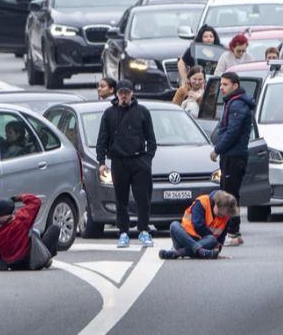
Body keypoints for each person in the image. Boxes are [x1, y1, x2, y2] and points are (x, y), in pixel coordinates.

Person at [96, 80, 157, 248]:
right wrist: (101, 161)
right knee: (120, 199)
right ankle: (123, 232)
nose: (124, 96)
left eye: (127, 92)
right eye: (121, 92)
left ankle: (143, 230)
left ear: (132, 93)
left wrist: (147, 159)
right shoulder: (109, 114)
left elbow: (151, 139)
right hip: (118, 161)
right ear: (116, 93)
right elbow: (102, 139)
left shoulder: (142, 112)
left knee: (142, 198)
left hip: (139, 161)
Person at [209, 71, 254, 240]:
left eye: (225, 85)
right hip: (232, 155)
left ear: (235, 86)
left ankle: (233, 231)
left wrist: (217, 149)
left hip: (234, 156)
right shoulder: (232, 102)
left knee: (230, 195)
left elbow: (232, 133)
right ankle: (231, 230)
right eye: (221, 84)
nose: (222, 88)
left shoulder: (237, 105)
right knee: (229, 192)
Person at [159, 191, 241, 260]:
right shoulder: (202, 202)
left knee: (212, 239)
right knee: (174, 225)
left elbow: (220, 240)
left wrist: (217, 253)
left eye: (224, 215)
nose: (221, 217)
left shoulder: (226, 216)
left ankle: (178, 253)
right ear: (216, 204)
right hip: (185, 239)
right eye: (220, 214)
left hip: (204, 243)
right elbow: (198, 225)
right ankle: (199, 251)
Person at [0, 194, 59, 271]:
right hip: (30, 261)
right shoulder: (20, 221)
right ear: (10, 213)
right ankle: (45, 259)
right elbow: (35, 201)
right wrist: (19, 198)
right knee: (54, 229)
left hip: (12, 264)